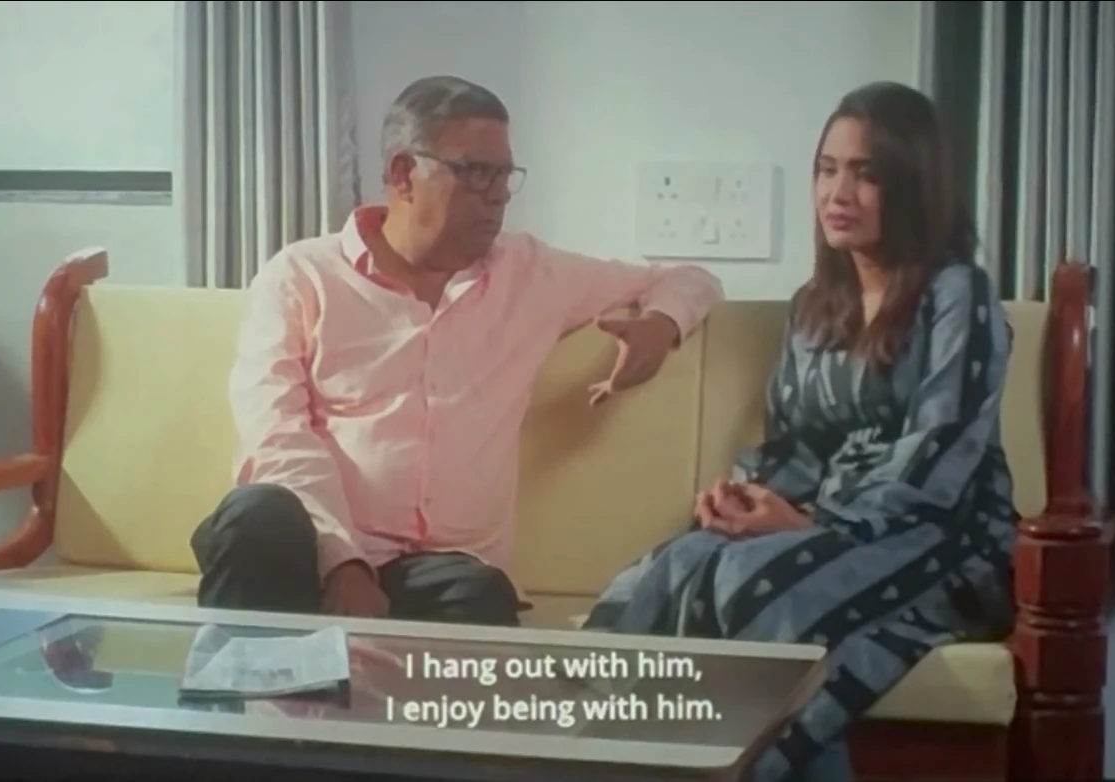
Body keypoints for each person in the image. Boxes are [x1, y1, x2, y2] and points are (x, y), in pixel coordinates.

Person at [582, 81, 1019, 782]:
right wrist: (747, 500)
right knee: (672, 569)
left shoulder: (957, 293)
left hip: (939, 534)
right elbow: (792, 444)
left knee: (763, 590)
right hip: (820, 522)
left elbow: (941, 451)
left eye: (866, 174)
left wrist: (811, 522)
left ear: (912, 184)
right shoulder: (814, 304)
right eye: (827, 169)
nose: (837, 193)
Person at [192, 75, 725, 628]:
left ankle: (344, 672)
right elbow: (274, 431)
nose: (498, 194)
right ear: (404, 174)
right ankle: (250, 681)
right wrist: (342, 562)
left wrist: (661, 324)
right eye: (475, 172)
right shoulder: (303, 275)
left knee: (479, 592)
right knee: (256, 514)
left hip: (438, 574)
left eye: (505, 175)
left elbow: (690, 278)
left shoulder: (534, 275)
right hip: (310, 551)